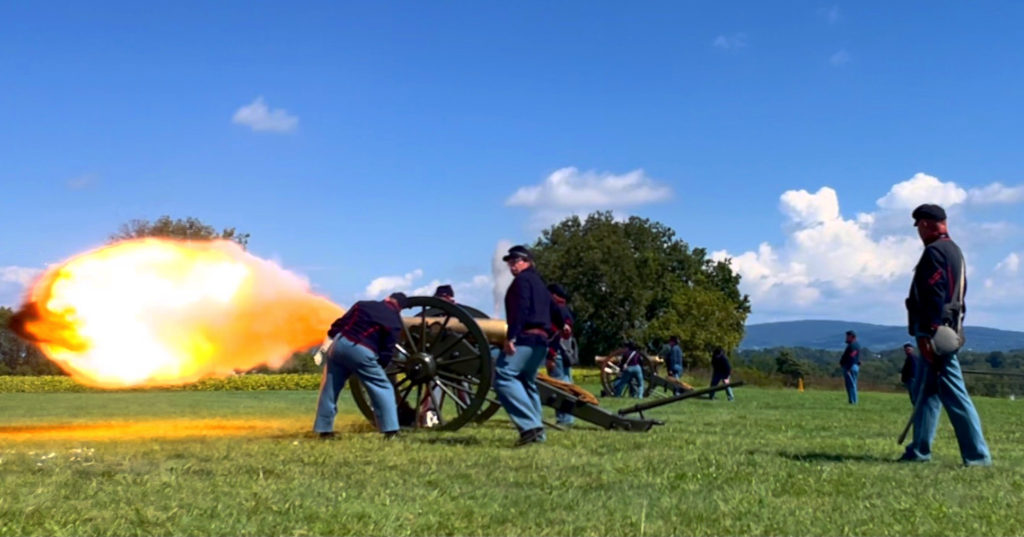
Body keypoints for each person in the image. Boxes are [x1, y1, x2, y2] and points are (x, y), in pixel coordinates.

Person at [900, 203, 991, 466]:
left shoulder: (936, 252)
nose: (918, 232)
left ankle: (978, 457)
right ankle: (919, 450)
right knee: (926, 395)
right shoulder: (952, 250)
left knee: (954, 394)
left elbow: (935, 294)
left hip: (936, 332)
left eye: (919, 226)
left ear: (926, 224)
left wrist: (929, 333)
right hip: (944, 329)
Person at [314, 292, 408, 439]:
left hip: (339, 344)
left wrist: (328, 342)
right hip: (362, 350)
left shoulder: (362, 305)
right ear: (400, 308)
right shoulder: (394, 321)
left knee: (330, 388)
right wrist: (380, 365)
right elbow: (387, 350)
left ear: (387, 299)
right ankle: (391, 431)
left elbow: (339, 324)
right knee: (383, 387)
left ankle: (324, 430)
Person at [495, 245, 562, 447]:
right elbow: (558, 315)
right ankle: (538, 434)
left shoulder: (522, 281)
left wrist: (512, 336)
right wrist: (555, 334)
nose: (512, 266)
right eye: (510, 262)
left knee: (503, 375)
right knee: (526, 382)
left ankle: (530, 427)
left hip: (525, 337)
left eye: (516, 261)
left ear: (527, 262)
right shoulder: (540, 284)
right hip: (541, 341)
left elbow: (521, 309)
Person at [546, 283, 578, 426]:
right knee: (568, 386)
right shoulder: (565, 309)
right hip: (565, 354)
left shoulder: (555, 310)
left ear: (553, 295)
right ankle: (568, 418)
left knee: (559, 387)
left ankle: (564, 419)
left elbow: (555, 334)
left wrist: (550, 356)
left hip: (557, 353)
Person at [839, 330, 861, 404]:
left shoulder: (853, 345)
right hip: (852, 366)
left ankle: (853, 401)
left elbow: (852, 357)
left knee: (851, 385)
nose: (846, 338)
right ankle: (852, 401)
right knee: (851, 384)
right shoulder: (853, 345)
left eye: (847, 337)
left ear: (852, 337)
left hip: (850, 367)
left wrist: (848, 368)